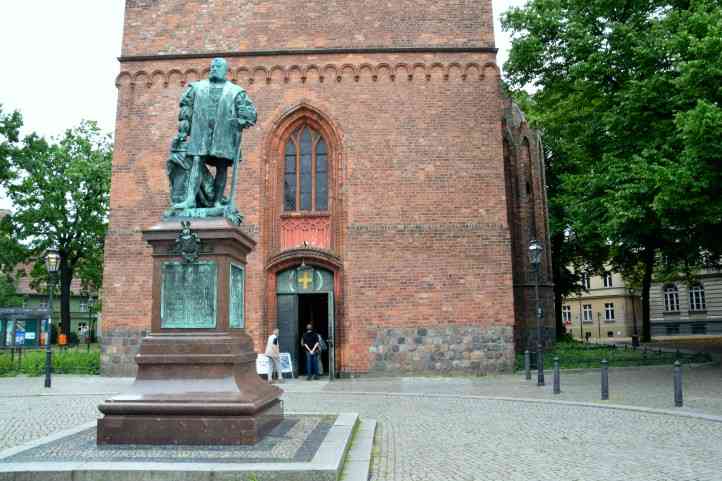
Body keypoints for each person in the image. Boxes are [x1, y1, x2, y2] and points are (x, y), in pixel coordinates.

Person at [171, 57, 257, 209]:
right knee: (197, 162)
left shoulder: (236, 91)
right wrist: (183, 132)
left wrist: (244, 117)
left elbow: (250, 114)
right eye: (212, 66)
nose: (214, 69)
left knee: (222, 167)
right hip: (201, 132)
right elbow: (186, 110)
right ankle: (190, 199)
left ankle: (217, 201)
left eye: (218, 67)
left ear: (225, 71)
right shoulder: (196, 88)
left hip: (223, 135)